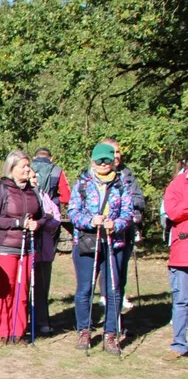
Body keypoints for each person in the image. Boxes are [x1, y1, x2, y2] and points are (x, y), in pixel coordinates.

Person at [67, 142, 134, 355]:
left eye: (107, 159)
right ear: (92, 161)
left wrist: (116, 224)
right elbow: (73, 212)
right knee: (85, 289)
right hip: (87, 242)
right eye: (99, 160)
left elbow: (128, 212)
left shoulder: (122, 183)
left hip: (114, 242)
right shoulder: (82, 183)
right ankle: (84, 331)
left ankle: (111, 334)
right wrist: (90, 220)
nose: (103, 164)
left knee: (113, 290)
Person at [0, 151, 43, 343]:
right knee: (6, 290)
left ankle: (18, 332)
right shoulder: (1, 190)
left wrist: (38, 224)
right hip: (5, 247)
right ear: (12, 169)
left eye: (28, 166)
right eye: (23, 166)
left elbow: (42, 215)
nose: (27, 170)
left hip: (27, 248)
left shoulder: (32, 191)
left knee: (23, 290)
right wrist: (17, 223)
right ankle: (4, 332)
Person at [101, 138, 145, 311]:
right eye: (113, 152)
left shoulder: (127, 174)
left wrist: (127, 206)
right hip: (103, 231)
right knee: (105, 268)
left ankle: (118, 299)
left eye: (118, 151)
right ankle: (106, 297)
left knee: (121, 268)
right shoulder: (94, 176)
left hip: (124, 229)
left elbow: (139, 199)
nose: (117, 156)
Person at [30, 164, 63, 335]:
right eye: (32, 177)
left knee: (42, 287)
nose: (35, 180)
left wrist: (43, 223)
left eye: (36, 177)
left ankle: (42, 320)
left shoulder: (45, 196)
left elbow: (56, 217)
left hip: (45, 249)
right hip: (28, 248)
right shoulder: (24, 197)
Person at [162, 161, 188, 359]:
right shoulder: (177, 184)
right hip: (182, 253)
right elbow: (172, 212)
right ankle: (179, 344)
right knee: (181, 301)